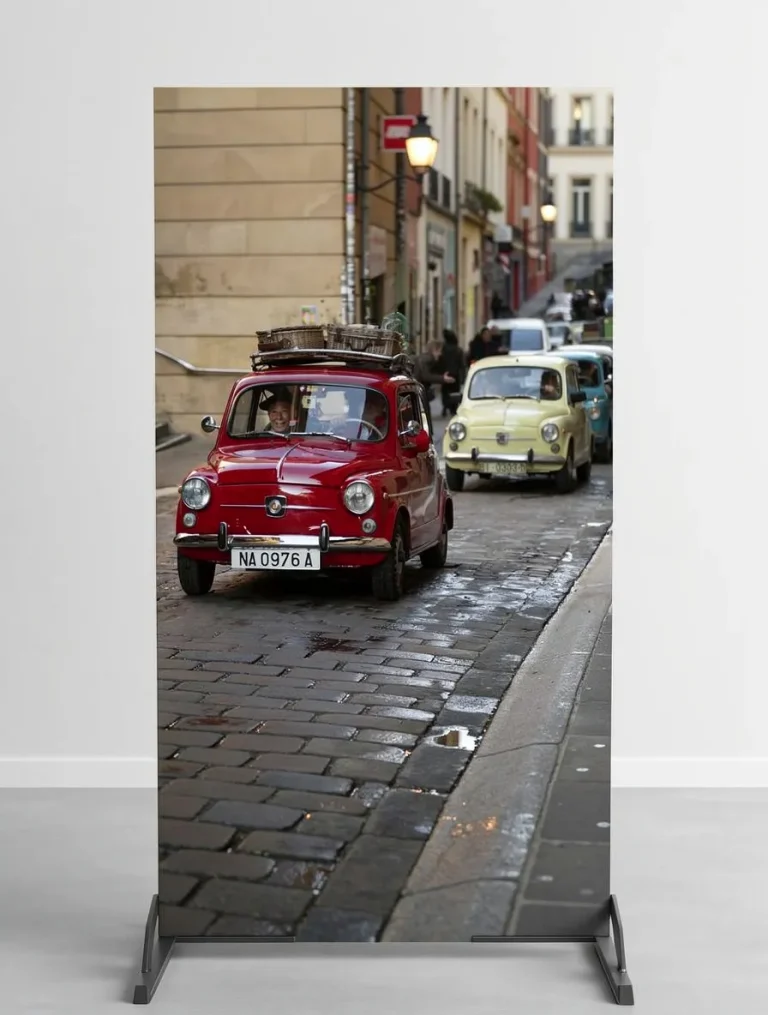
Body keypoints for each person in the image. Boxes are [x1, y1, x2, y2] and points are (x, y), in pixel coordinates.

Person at [415, 340, 455, 427]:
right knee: (424, 417)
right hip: (419, 393)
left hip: (420, 392)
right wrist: (443, 378)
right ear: (434, 350)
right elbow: (426, 376)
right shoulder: (428, 359)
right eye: (439, 351)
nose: (440, 354)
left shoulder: (427, 359)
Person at [440, 329, 465, 417]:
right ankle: (453, 409)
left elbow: (440, 361)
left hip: (445, 373)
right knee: (454, 392)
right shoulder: (458, 350)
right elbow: (462, 364)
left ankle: (445, 408)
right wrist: (463, 377)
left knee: (445, 392)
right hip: (455, 374)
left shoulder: (443, 349)